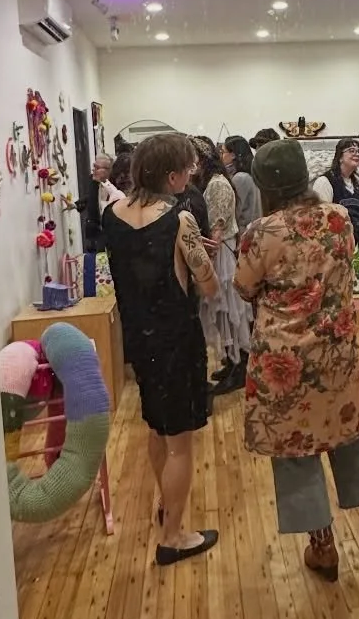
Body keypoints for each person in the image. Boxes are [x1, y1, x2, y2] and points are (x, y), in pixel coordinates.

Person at [236, 139, 359, 581]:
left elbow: (244, 286)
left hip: (284, 359)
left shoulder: (261, 232)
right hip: (337, 350)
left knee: (295, 449)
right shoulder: (338, 218)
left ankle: (323, 546)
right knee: (351, 433)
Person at [101, 132, 220, 565]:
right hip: (176, 340)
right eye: (186, 169)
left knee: (157, 428)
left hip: (139, 339)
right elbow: (208, 286)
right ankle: (173, 536)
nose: (190, 176)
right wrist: (199, 257)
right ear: (171, 176)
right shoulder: (180, 221)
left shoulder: (111, 215)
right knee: (180, 443)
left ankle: (166, 506)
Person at [193, 135, 251, 393]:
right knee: (222, 311)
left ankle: (239, 365)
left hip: (222, 254)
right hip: (220, 252)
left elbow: (217, 227)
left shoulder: (217, 184)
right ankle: (232, 361)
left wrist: (207, 261)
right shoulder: (213, 182)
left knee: (228, 310)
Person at [311, 136, 359, 243]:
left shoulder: (357, 184)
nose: (357, 154)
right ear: (340, 157)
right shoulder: (324, 182)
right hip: (335, 243)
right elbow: (321, 219)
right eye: (351, 150)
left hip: (356, 243)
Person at [74, 152, 124, 254]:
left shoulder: (117, 187)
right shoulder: (93, 181)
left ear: (108, 170)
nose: (93, 170)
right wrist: (75, 205)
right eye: (94, 166)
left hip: (111, 238)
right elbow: (90, 198)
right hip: (94, 235)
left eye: (97, 167)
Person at [221, 136, 262, 232]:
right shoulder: (249, 173)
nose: (221, 156)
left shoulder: (240, 178)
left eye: (223, 152)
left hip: (243, 232)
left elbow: (234, 211)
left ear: (233, 155)